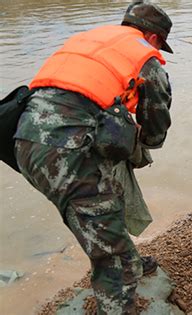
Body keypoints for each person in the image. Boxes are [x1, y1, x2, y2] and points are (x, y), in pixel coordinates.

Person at [14, 1, 173, 313]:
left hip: (22, 141)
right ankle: (119, 275)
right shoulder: (146, 60)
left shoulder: (90, 39)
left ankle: (120, 250)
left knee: (104, 202)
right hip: (66, 153)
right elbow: (155, 135)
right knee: (115, 259)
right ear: (154, 38)